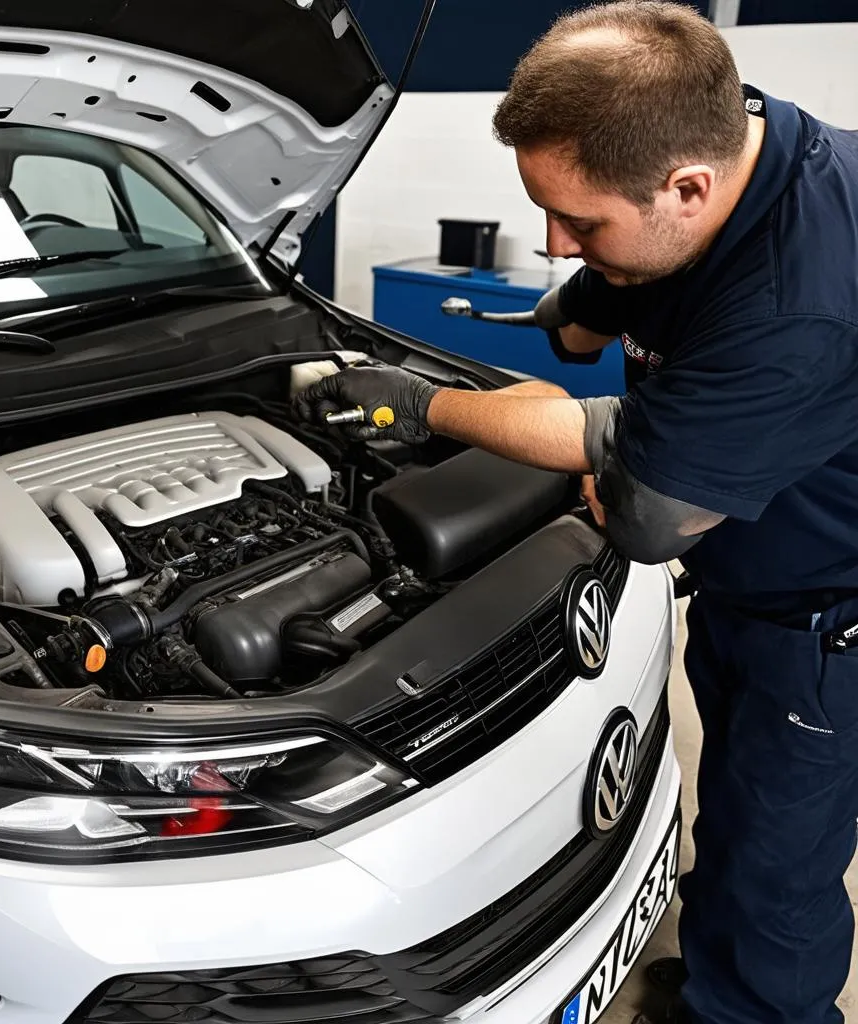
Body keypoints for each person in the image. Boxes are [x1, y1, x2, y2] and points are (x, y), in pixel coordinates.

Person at [292, 3, 858, 1023]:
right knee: (733, 821)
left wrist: (418, 403)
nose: (555, 244)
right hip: (753, 584)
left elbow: (645, 522)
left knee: (780, 873)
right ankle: (716, 978)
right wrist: (587, 295)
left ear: (688, 186)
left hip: (822, 622)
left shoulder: (798, 296)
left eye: (581, 225)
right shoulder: (737, 146)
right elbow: (586, 333)